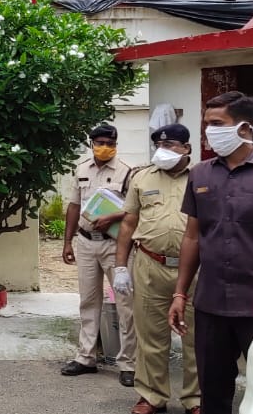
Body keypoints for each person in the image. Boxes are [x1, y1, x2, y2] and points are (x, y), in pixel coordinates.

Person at [169, 92, 253, 414]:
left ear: (245, 127)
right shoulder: (201, 174)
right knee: (213, 392)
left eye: (217, 124)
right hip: (210, 305)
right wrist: (180, 293)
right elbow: (193, 236)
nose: (209, 131)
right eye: (206, 124)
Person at [114, 124, 200, 414]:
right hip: (150, 265)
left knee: (196, 336)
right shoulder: (141, 177)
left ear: (187, 148)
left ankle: (195, 398)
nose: (163, 150)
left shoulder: (203, 177)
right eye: (160, 145)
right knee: (150, 336)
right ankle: (152, 396)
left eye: (171, 145)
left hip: (195, 270)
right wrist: (120, 268)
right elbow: (128, 224)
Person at [60, 123, 137, 386]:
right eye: (100, 143)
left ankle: (128, 363)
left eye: (110, 143)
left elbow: (135, 210)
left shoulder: (127, 172)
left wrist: (112, 217)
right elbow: (73, 205)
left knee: (127, 303)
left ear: (116, 144)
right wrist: (67, 241)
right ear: (91, 143)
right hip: (85, 242)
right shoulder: (81, 169)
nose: (105, 148)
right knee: (88, 300)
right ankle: (86, 358)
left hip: (116, 245)